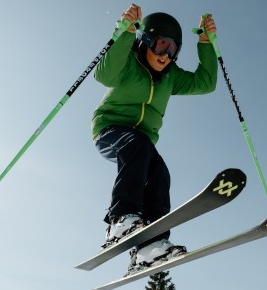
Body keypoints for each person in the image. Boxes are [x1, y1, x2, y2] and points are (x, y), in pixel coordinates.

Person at [92, 3, 218, 274]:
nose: (166, 55)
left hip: (142, 144)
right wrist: (124, 31)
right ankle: (121, 220)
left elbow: (206, 83)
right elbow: (103, 74)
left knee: (160, 173)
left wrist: (206, 43)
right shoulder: (127, 64)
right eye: (162, 45)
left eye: (173, 50)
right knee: (137, 144)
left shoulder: (170, 78)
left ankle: (151, 246)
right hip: (110, 131)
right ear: (146, 40)